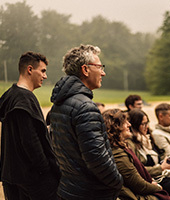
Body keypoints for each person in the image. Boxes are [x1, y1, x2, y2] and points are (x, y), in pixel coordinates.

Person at [48, 45, 122, 199]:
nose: (103, 72)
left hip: (69, 189)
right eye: (99, 67)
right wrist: (117, 181)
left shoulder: (59, 104)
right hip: (90, 193)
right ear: (85, 70)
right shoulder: (85, 107)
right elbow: (96, 157)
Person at [0, 52, 60, 199]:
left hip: (12, 177)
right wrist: (46, 172)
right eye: (43, 71)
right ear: (30, 69)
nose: (45, 76)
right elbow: (30, 142)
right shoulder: (24, 98)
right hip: (30, 181)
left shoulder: (10, 95)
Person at [102, 109, 170, 200]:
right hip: (139, 192)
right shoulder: (120, 151)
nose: (129, 124)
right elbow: (138, 184)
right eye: (124, 122)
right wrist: (157, 185)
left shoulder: (126, 145)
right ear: (115, 126)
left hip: (149, 181)